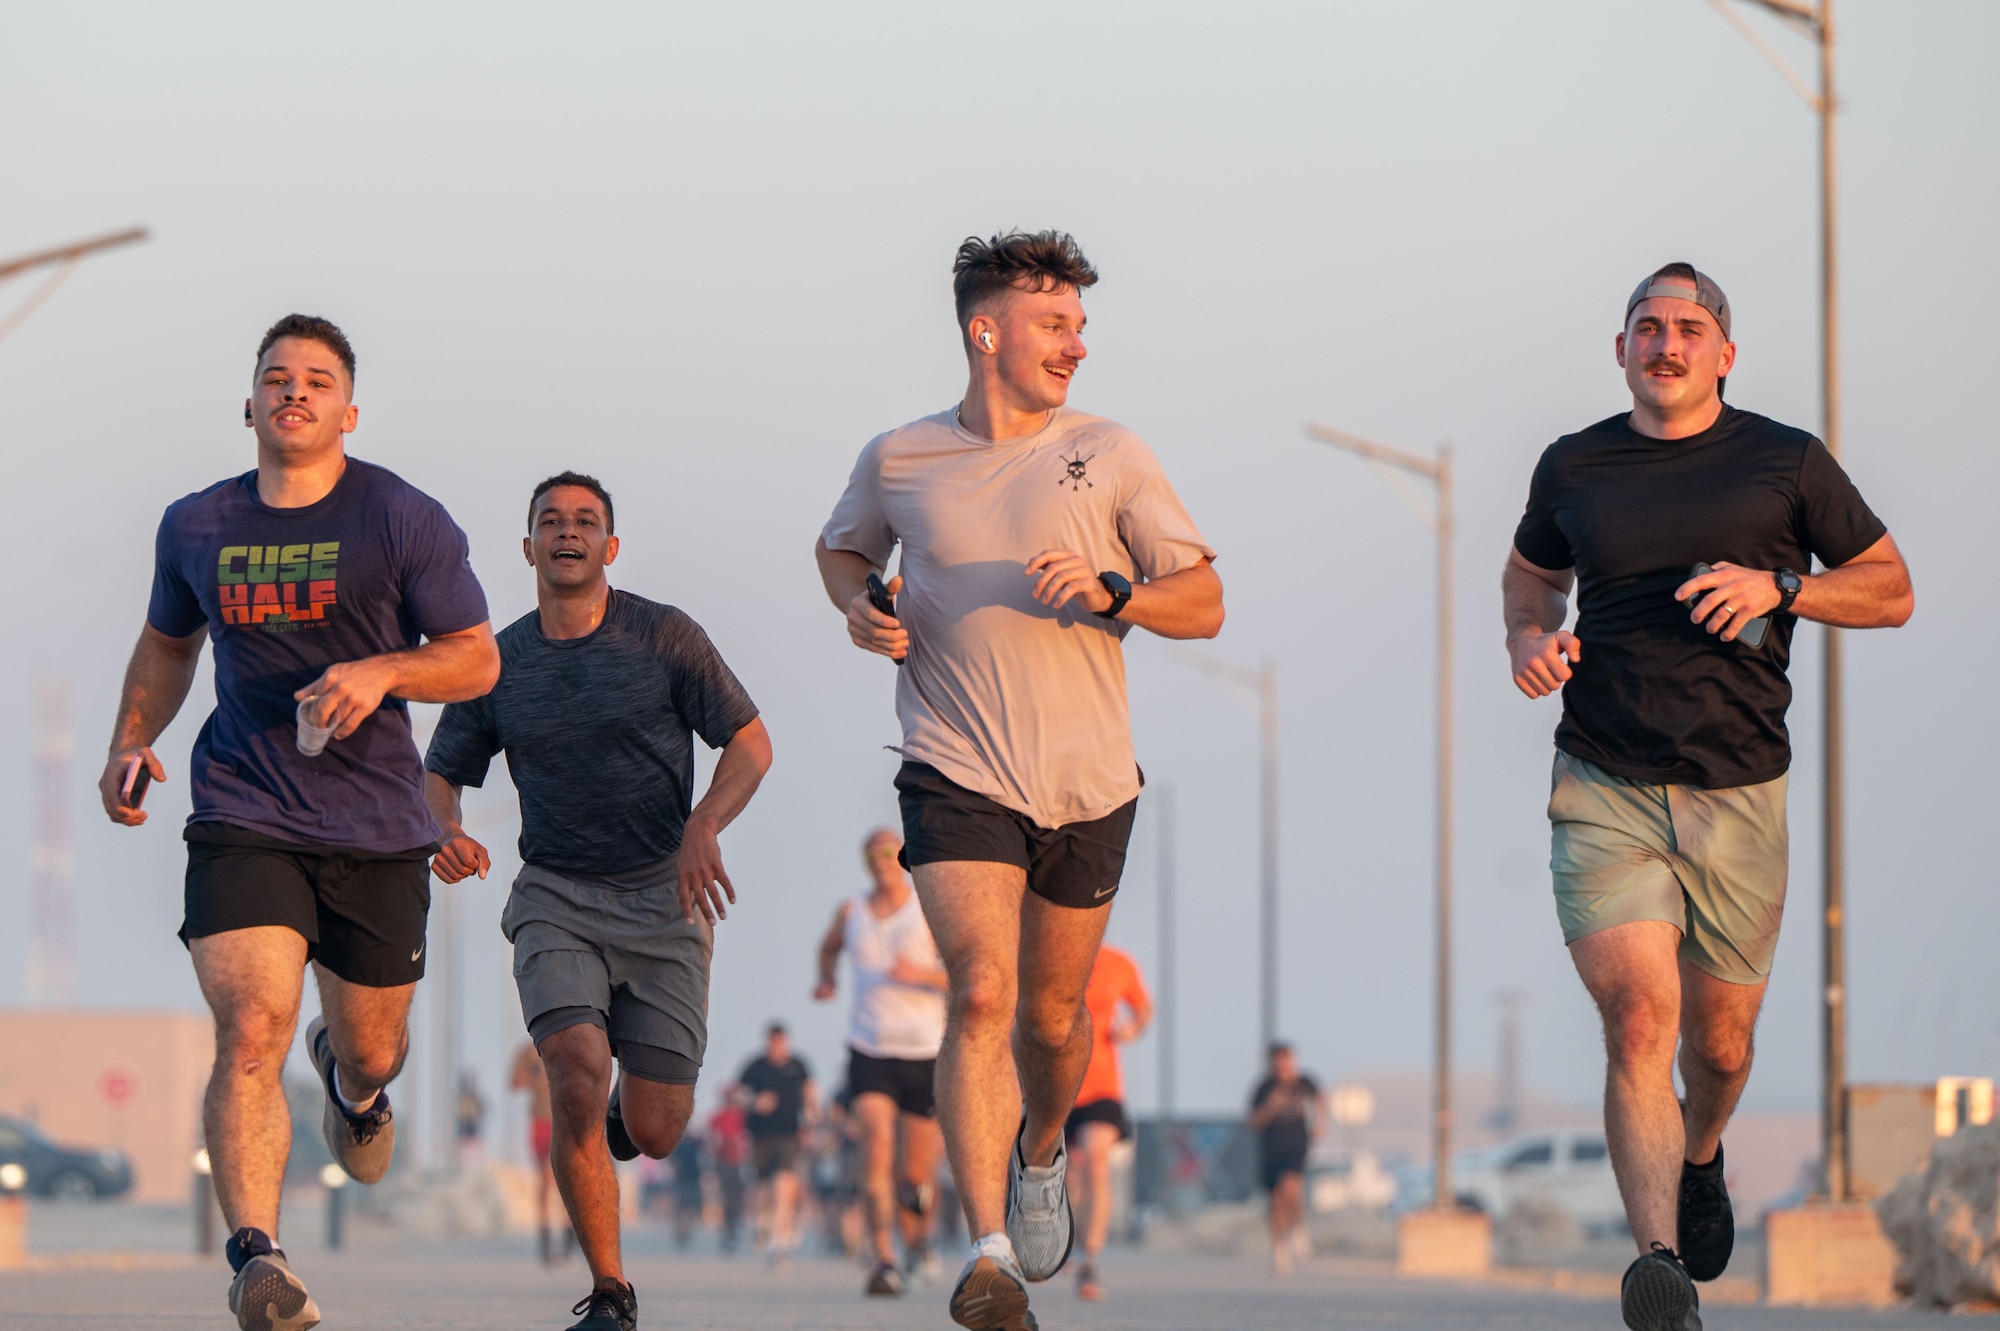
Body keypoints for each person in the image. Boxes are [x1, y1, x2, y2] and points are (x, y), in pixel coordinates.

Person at [815, 229, 1224, 1331]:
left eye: (1080, 326)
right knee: (982, 992)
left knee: (1050, 1018)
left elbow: (1203, 601)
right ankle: (987, 1249)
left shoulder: (1112, 450)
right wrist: (860, 607)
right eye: (1056, 325)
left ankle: (1038, 1146)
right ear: (984, 331)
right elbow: (841, 551)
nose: (1076, 346)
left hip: (1087, 783)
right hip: (953, 766)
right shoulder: (898, 457)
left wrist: (1114, 593)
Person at [1504, 263, 1913, 1331]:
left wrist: (1779, 586)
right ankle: (1656, 1267)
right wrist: (1527, 638)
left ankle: (1699, 1150)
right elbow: (1527, 578)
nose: (1665, 342)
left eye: (1689, 327)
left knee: (1717, 1047)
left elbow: (1889, 587)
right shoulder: (1574, 463)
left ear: (1722, 354)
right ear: (1619, 348)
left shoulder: (1783, 463)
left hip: (1738, 788)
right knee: (1640, 1016)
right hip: (1602, 773)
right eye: (1646, 325)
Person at [99, 314, 497, 1331]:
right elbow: (165, 644)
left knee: (371, 1044)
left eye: (317, 380)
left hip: (373, 822)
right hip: (244, 806)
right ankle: (258, 1257)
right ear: (250, 404)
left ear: (347, 411)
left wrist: (383, 669)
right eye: (276, 377)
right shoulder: (196, 524)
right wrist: (129, 737)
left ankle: (353, 1087)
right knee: (248, 1027)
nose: (294, 392)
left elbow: (474, 656)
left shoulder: (402, 517)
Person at [425, 471, 772, 1331]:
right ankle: (611, 1291)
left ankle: (632, 1105)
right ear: (529, 547)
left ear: (610, 546)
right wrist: (443, 827)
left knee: (655, 1130)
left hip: (666, 897)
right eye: (552, 521)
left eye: (586, 522)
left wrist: (705, 823)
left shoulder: (664, 637)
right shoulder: (499, 661)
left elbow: (751, 744)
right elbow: (440, 773)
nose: (568, 533)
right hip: (557, 895)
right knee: (574, 1073)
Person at [812, 827, 949, 1296]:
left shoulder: (929, 907)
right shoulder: (852, 911)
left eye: (890, 853)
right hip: (868, 1049)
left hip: (924, 1052)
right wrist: (827, 979)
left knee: (915, 1176)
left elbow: (966, 975)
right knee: (875, 1152)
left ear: (904, 857)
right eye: (872, 855)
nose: (882, 861)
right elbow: (828, 947)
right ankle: (883, 1260)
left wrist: (922, 976)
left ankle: (920, 1243)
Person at [1065, 943, 1151, 1300]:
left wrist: (1133, 1028)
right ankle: (1063, 1242)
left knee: (1097, 1166)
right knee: (1066, 1175)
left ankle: (1090, 1260)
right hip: (1055, 1087)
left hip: (1101, 1086)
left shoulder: (1119, 964)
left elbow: (1142, 1010)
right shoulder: (1046, 953)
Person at [735, 1024, 817, 1264]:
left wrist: (813, 1117)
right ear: (767, 1042)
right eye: (773, 1042)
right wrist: (753, 1101)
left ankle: (779, 1237)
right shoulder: (755, 1066)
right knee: (761, 1189)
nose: (777, 1047)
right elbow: (736, 1094)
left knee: (784, 1183)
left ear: (787, 1042)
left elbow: (810, 1092)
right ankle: (763, 1225)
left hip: (790, 1134)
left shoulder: (798, 1065)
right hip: (760, 1135)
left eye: (781, 1042)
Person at [1248, 1043, 1320, 1275]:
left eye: (1287, 1061)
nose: (1284, 1066)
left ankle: (1298, 1230)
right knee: (1276, 1201)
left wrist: (1320, 1123)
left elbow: (1321, 1099)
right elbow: (1253, 1122)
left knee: (1291, 1188)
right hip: (1271, 1148)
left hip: (1296, 1145)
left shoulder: (1304, 1083)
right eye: (1279, 1062)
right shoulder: (1264, 1088)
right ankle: (1280, 1248)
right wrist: (1271, 1107)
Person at [512, 1041, 573, 1264]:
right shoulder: (528, 1051)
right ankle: (547, 1244)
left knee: (566, 1181)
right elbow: (515, 1082)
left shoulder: (572, 1041)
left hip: (565, 1119)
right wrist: (538, 1078)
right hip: (541, 1122)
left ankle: (568, 1243)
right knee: (546, 1182)